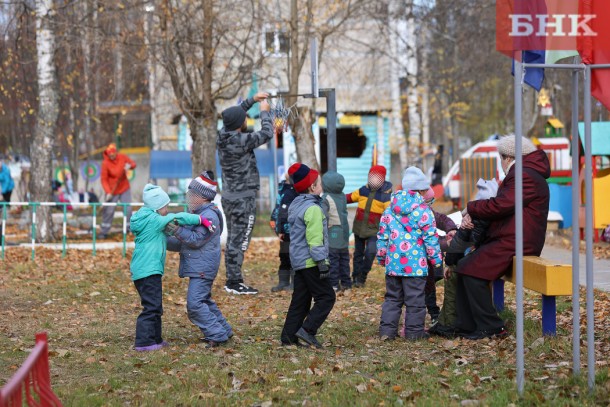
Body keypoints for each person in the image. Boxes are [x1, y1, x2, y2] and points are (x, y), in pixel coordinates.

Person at [455, 135, 550, 340]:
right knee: (464, 266)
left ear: (508, 157)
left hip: (516, 240)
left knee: (470, 271)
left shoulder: (524, 175)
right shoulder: (525, 173)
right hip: (511, 237)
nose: (501, 162)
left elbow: (502, 205)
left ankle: (492, 326)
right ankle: (467, 325)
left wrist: (471, 207)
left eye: (501, 157)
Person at [129, 183, 212, 352]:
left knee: (156, 306)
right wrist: (200, 219)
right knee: (151, 307)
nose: (166, 209)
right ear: (157, 207)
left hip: (144, 270)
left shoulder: (146, 219)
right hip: (148, 271)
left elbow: (169, 231)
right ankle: (143, 342)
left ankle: (156, 339)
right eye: (165, 206)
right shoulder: (154, 220)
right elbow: (178, 217)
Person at [166, 171, 232, 348]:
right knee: (204, 300)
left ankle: (217, 334)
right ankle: (224, 329)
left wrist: (176, 230)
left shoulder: (208, 217)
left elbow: (195, 240)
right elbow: (184, 242)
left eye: (192, 194)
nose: (189, 198)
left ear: (203, 197)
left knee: (195, 305)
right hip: (199, 265)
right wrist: (164, 239)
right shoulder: (196, 215)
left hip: (203, 267)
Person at [217, 91, 274, 295]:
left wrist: (252, 100)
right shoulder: (241, 141)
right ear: (240, 124)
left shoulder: (223, 136)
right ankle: (234, 282)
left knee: (234, 238)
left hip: (230, 197)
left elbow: (231, 115)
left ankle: (232, 279)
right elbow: (267, 133)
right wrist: (265, 113)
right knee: (240, 241)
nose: (246, 120)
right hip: (243, 199)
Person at [377, 167, 443, 341]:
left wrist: (382, 257)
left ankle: (387, 332)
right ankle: (414, 333)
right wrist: (436, 259)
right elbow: (431, 237)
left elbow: (382, 237)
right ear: (421, 191)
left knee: (392, 299)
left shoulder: (389, 210)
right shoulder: (424, 212)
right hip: (415, 267)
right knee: (415, 301)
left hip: (393, 265)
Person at [429, 178, 498, 338]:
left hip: (472, 262)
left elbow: (461, 244)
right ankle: (447, 322)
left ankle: (449, 324)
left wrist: (449, 262)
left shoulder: (476, 221)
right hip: (474, 259)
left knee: (453, 276)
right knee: (453, 276)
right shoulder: (480, 218)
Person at [280, 163, 336, 348]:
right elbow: (314, 239)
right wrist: (322, 262)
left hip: (299, 262)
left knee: (301, 300)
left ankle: (288, 337)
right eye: (318, 183)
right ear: (312, 187)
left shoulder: (297, 204)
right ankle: (308, 330)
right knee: (327, 297)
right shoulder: (313, 209)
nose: (321, 186)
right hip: (312, 261)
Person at [346, 165, 392, 287]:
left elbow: (389, 213)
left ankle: (363, 275)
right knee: (358, 254)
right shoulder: (363, 190)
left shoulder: (386, 195)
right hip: (359, 227)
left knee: (370, 252)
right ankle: (355, 277)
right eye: (371, 177)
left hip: (374, 230)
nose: (373, 180)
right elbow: (349, 198)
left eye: (377, 178)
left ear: (382, 179)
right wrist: (335, 198)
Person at [321, 171, 351, 292]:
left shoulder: (325, 198)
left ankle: (334, 284)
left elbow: (323, 214)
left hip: (333, 232)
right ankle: (346, 282)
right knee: (344, 260)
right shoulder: (342, 196)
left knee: (333, 260)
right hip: (344, 233)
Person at [270, 170, 298, 292]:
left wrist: (281, 229)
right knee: (284, 256)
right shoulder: (283, 188)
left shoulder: (292, 192)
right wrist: (272, 217)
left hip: (290, 230)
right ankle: (283, 281)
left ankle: (294, 282)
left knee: (293, 257)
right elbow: (278, 206)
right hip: (284, 231)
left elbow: (284, 212)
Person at [100, 143, 136, 238]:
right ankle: (104, 231)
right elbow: (104, 179)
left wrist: (129, 166)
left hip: (124, 187)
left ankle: (130, 229)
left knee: (127, 209)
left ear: (116, 152)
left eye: (113, 154)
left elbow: (133, 164)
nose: (111, 156)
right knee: (109, 210)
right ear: (107, 154)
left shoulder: (123, 157)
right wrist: (108, 192)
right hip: (112, 190)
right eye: (109, 154)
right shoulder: (105, 163)